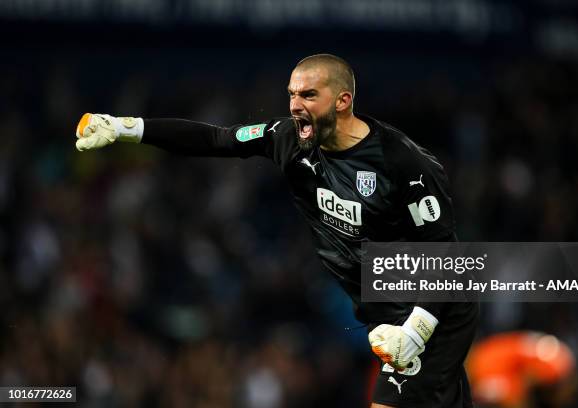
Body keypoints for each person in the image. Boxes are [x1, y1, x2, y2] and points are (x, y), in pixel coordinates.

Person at [74, 54, 478, 407]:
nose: (295, 106)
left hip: (433, 310)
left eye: (308, 96)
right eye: (291, 94)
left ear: (343, 101)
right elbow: (217, 139)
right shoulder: (287, 139)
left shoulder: (401, 161)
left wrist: (418, 329)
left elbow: (446, 255)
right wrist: (128, 128)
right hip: (384, 309)